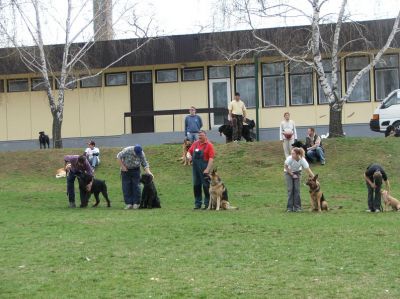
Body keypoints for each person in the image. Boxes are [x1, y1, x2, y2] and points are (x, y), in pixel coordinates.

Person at [117, 144, 153, 210]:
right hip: (125, 170)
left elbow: (144, 163)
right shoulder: (127, 150)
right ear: (134, 151)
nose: (137, 155)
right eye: (136, 153)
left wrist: (149, 173)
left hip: (136, 170)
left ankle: (136, 203)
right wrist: (123, 167)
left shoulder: (141, 153)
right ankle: (129, 204)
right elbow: (118, 157)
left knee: (136, 186)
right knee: (126, 187)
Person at [187, 130, 215, 209]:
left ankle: (207, 204)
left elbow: (211, 159)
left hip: (204, 168)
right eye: (199, 136)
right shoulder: (195, 143)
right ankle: (197, 204)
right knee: (196, 186)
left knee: (206, 186)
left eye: (201, 136)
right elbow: (189, 152)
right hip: (195, 169)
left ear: (205, 136)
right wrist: (188, 156)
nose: (200, 137)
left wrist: (207, 169)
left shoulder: (209, 145)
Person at [284, 147, 315, 212]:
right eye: (291, 153)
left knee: (297, 190)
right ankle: (289, 208)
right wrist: (292, 174)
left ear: (298, 154)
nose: (292, 155)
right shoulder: (290, 158)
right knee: (290, 189)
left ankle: (297, 208)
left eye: (293, 154)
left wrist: (315, 178)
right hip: (288, 172)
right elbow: (286, 167)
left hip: (297, 172)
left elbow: (308, 170)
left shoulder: (302, 160)